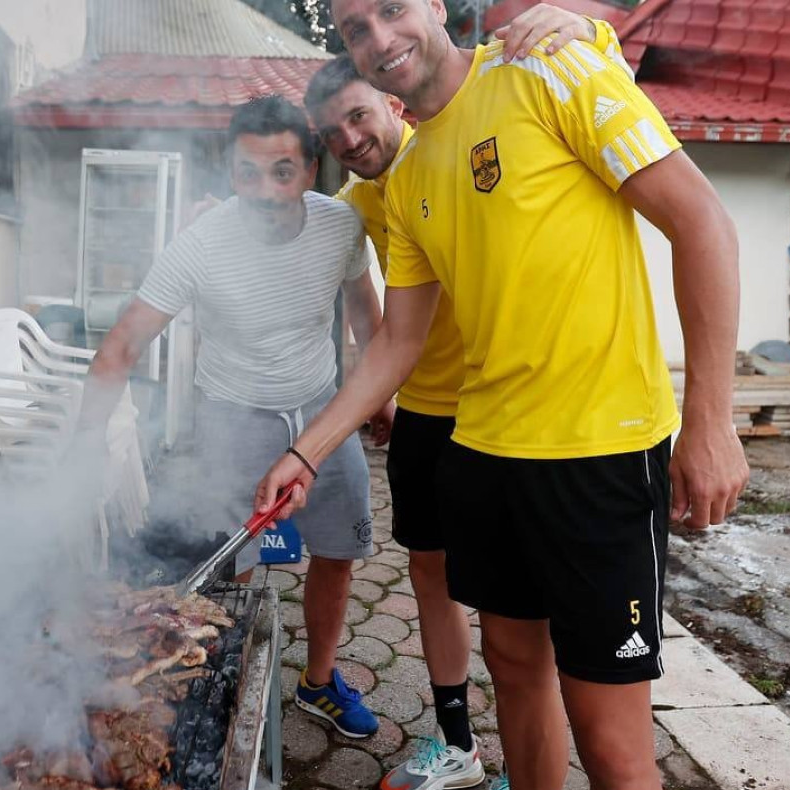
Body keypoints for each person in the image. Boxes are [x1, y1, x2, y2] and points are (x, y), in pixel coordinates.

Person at [255, 1, 750, 789]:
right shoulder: (409, 176)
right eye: (356, 28)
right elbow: (399, 342)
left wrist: (711, 422)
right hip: (482, 455)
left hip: (597, 453)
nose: (380, 39)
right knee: (515, 673)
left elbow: (702, 224)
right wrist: (304, 453)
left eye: (392, 10)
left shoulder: (548, 69)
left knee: (611, 738)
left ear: (437, 7)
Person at [301, 7, 622, 788]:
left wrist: (582, 20)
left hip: (529, 422)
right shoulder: (361, 206)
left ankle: (537, 759)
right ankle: (458, 745)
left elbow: (597, 77)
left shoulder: (481, 129)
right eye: (332, 133)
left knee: (531, 629)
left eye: (358, 118)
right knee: (435, 583)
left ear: (394, 105)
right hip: (429, 416)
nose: (349, 141)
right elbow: (376, 324)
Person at [75, 95, 393, 739]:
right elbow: (121, 346)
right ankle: (228, 670)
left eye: (283, 171)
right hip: (231, 415)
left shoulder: (341, 227)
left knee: (339, 551)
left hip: (322, 413)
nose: (266, 190)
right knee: (232, 562)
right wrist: (80, 452)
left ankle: (319, 682)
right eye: (248, 173)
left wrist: (380, 397)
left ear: (310, 169)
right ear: (229, 173)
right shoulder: (199, 244)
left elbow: (363, 309)